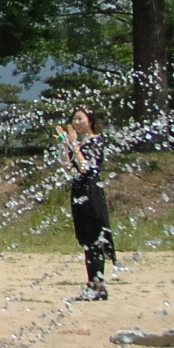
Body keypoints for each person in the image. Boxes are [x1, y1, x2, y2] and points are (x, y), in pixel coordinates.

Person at [56, 107, 114, 300]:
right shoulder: (77, 143)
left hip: (92, 191)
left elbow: (86, 167)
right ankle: (92, 284)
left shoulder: (97, 141)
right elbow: (66, 166)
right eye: (74, 119)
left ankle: (98, 286)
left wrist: (74, 145)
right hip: (78, 191)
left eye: (80, 118)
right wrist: (65, 143)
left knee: (95, 239)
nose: (77, 122)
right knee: (87, 241)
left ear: (90, 120)